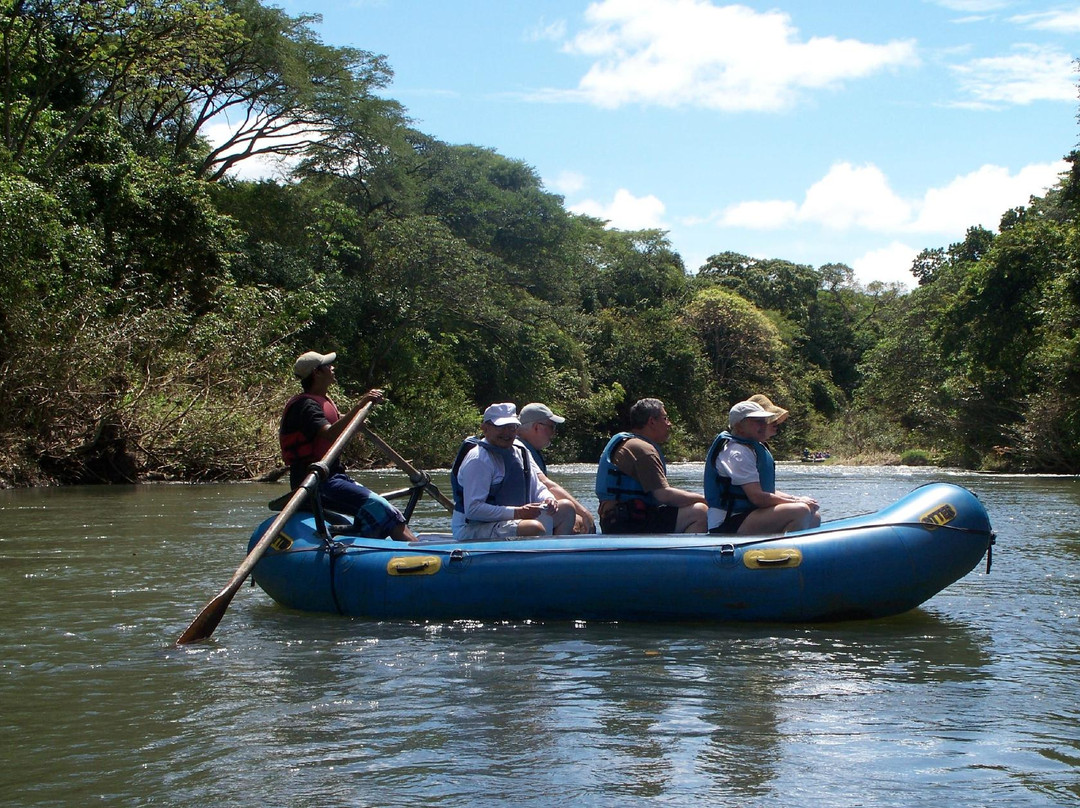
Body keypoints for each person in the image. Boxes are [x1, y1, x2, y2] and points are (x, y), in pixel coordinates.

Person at [279, 350, 416, 541]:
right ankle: (416, 554)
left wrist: (354, 422)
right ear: (317, 373)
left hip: (334, 476)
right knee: (381, 508)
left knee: (385, 510)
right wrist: (360, 406)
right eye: (328, 366)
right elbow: (329, 433)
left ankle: (383, 545)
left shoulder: (320, 401)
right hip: (317, 482)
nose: (333, 368)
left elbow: (334, 425)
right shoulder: (305, 406)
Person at [450, 402, 576, 540]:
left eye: (511, 427)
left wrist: (549, 499)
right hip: (472, 528)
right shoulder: (478, 459)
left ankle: (556, 555)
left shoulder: (520, 452)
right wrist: (517, 513)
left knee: (566, 508)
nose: (507, 433)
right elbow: (473, 510)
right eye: (501, 427)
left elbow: (537, 488)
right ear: (485, 428)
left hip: (514, 518)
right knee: (534, 528)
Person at [705, 399, 821, 535]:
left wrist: (796, 498)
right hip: (727, 522)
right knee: (800, 511)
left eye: (763, 421)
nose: (763, 425)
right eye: (757, 421)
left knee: (814, 516)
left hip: (749, 515)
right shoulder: (736, 452)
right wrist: (797, 501)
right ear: (739, 426)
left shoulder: (751, 448)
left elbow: (764, 490)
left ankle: (792, 551)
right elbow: (757, 497)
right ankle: (783, 553)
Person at [594, 398, 708, 534]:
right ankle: (686, 555)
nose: (669, 424)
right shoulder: (643, 449)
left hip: (614, 520)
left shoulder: (630, 443)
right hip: (629, 521)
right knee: (700, 512)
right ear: (652, 422)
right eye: (665, 418)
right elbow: (663, 495)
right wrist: (705, 499)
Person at [517, 403, 596, 534]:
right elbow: (548, 485)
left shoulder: (527, 449)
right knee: (580, 522)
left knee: (577, 519)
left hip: (528, 511)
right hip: (520, 515)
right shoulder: (519, 449)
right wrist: (584, 513)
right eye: (551, 427)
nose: (554, 433)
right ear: (537, 427)